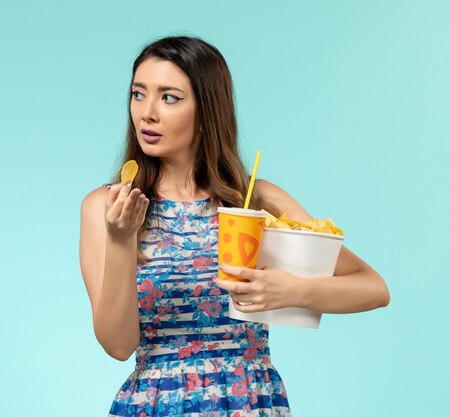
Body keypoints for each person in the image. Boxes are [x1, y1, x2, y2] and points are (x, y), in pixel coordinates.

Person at [79, 36, 390, 417]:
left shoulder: (258, 201)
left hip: (250, 402)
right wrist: (121, 238)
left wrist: (292, 290)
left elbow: (373, 288)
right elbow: (118, 345)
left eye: (170, 97)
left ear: (209, 111)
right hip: (155, 404)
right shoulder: (107, 207)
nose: (146, 113)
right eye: (138, 94)